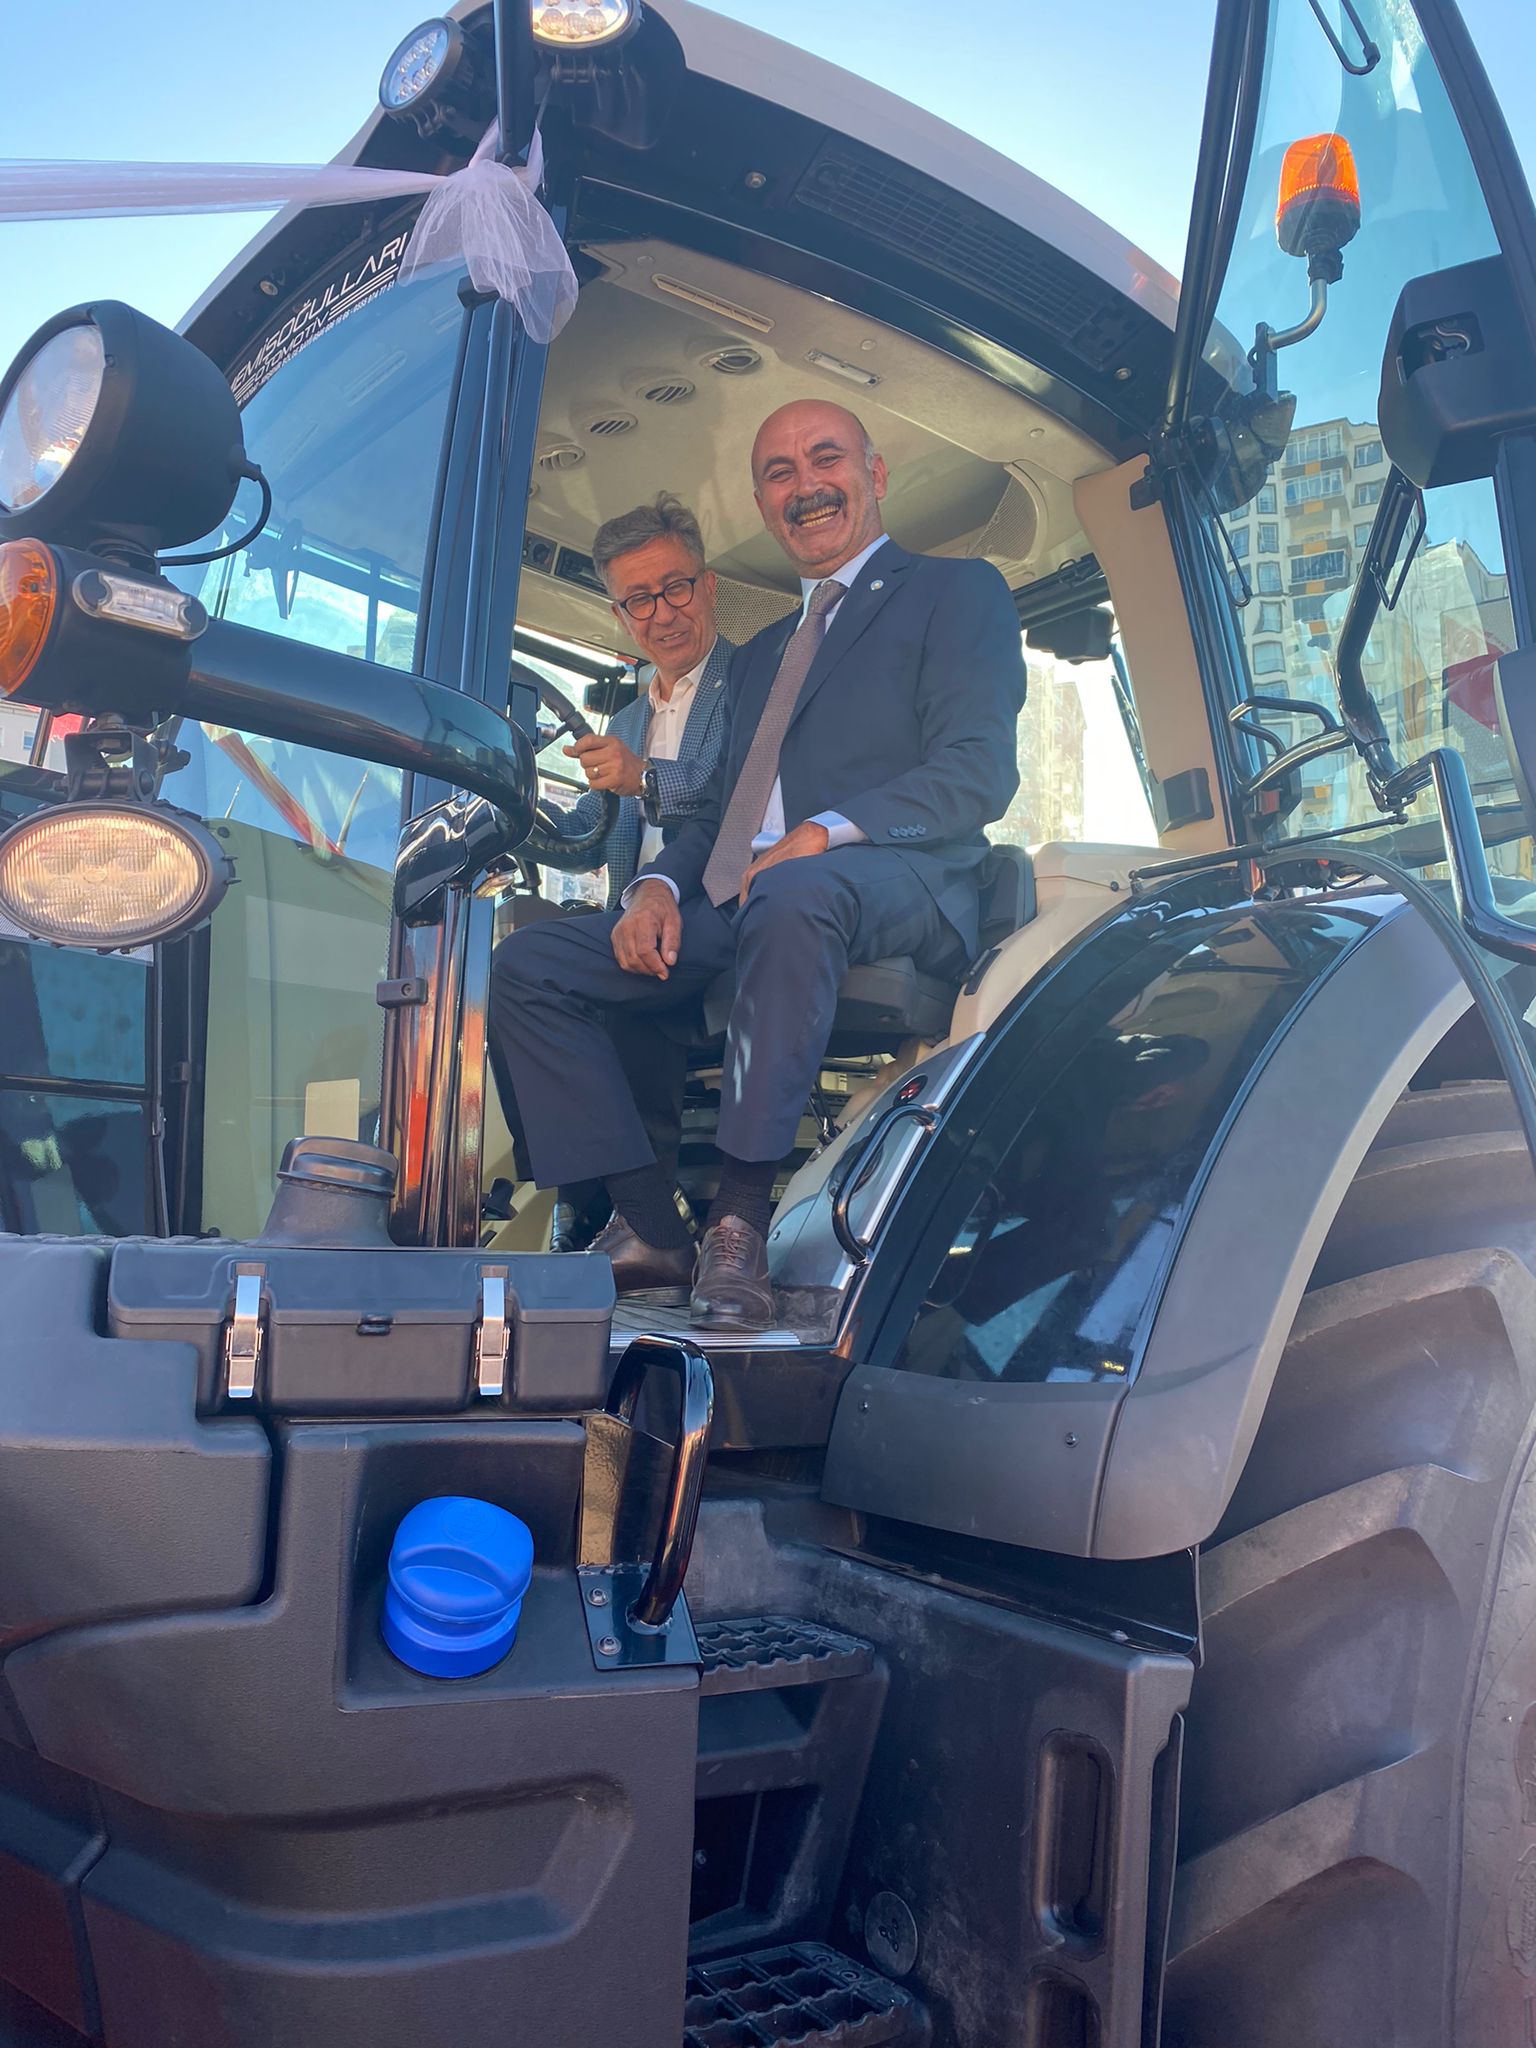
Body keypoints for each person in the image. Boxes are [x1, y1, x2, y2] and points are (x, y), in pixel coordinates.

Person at [489, 399, 1026, 1328]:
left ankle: (738, 1221)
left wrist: (826, 829)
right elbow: (726, 815)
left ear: (875, 473)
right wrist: (657, 887)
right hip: (755, 893)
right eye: (780, 473)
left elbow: (978, 771)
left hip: (903, 877)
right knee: (529, 964)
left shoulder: (955, 591)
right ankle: (649, 1225)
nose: (805, 485)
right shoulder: (764, 653)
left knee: (792, 888)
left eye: (826, 459)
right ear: (764, 504)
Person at [519, 495, 733, 1252]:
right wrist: (515, 813)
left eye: (675, 588)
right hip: (631, 915)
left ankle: (643, 1223)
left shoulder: (749, 687)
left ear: (708, 586)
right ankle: (587, 1210)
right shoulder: (628, 721)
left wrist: (645, 778)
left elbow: (734, 798)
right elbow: (591, 833)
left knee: (538, 969)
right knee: (506, 969)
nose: (662, 613)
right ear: (619, 615)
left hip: (720, 907)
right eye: (639, 599)